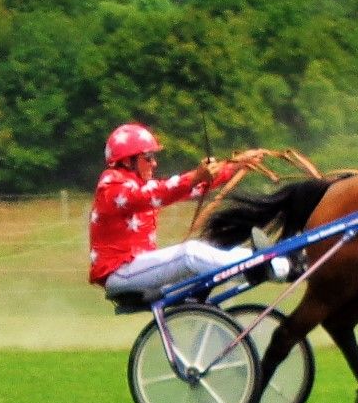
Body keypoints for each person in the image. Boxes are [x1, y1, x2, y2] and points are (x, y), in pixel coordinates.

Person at [88, 123, 261, 300]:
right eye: (148, 157)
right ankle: (257, 269)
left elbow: (194, 187)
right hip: (120, 273)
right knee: (189, 253)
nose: (154, 163)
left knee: (215, 252)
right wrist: (195, 176)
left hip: (137, 270)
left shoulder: (137, 184)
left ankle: (265, 259)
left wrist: (235, 165)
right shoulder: (111, 185)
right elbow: (157, 193)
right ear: (127, 160)